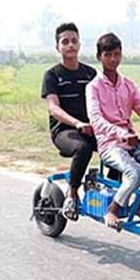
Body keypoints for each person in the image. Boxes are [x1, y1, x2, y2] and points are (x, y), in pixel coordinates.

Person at [86, 32, 140, 231]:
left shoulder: (128, 85)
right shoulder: (93, 87)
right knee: (137, 174)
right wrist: (120, 133)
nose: (113, 59)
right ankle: (112, 210)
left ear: (121, 54)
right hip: (110, 145)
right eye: (108, 55)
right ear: (99, 57)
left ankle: (137, 206)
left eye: (116, 54)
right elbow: (95, 119)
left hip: (131, 142)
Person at [41, 22, 97, 220]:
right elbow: (54, 108)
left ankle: (109, 193)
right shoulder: (52, 75)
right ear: (58, 47)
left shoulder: (90, 74)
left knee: (116, 146)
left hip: (90, 127)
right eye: (65, 42)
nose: (70, 45)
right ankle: (71, 195)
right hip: (64, 130)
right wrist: (77, 123)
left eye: (74, 41)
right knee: (83, 148)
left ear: (80, 44)